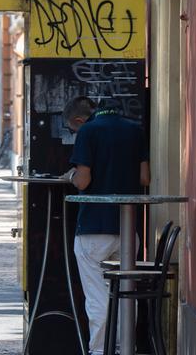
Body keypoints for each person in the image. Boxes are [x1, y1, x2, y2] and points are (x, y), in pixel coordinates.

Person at [65, 104, 149, 355]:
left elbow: (83, 179)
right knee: (125, 291)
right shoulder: (135, 130)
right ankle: (126, 348)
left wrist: (69, 176)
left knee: (97, 296)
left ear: (80, 120)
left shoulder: (88, 131)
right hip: (127, 228)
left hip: (94, 227)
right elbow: (145, 178)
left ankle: (100, 350)